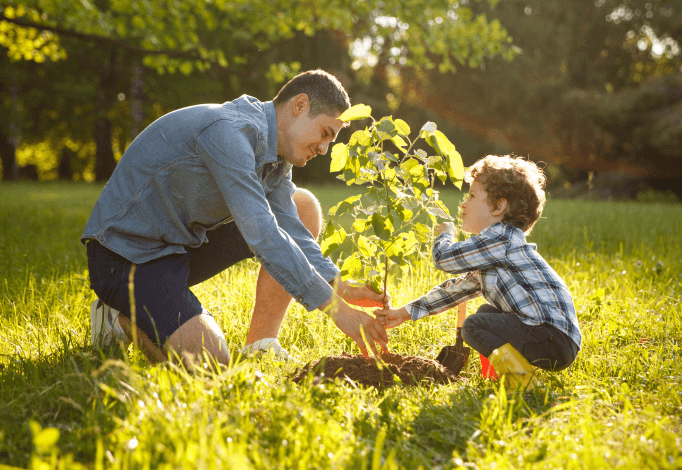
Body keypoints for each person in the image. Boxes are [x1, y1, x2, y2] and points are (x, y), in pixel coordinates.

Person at [82, 69, 389, 366]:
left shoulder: (277, 157)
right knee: (210, 362)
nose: (324, 148)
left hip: (179, 247)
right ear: (300, 105)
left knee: (301, 206)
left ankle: (261, 345)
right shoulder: (230, 132)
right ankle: (118, 319)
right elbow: (263, 233)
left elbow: (291, 228)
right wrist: (338, 311)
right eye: (325, 133)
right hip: (125, 257)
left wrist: (339, 285)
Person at [374, 155, 581, 390]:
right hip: (555, 339)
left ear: (499, 206)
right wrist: (404, 313)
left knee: (474, 326)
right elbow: (455, 291)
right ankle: (501, 378)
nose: (463, 204)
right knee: (486, 313)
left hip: (550, 337)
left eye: (471, 196)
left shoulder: (501, 238)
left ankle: (524, 384)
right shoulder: (495, 251)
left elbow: (445, 259)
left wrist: (445, 235)